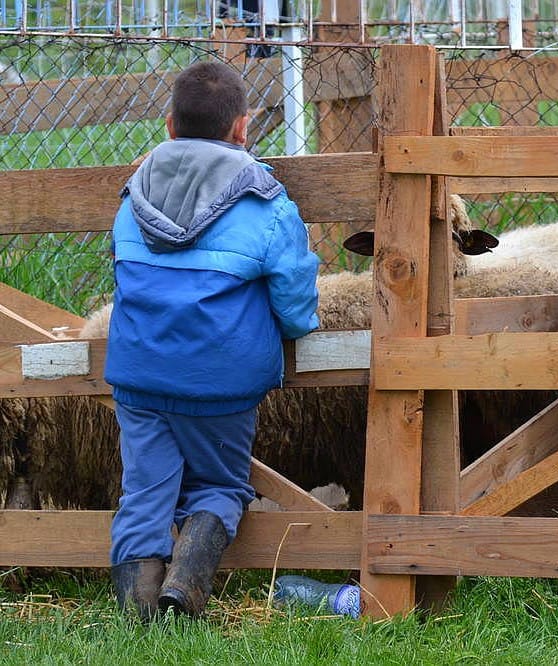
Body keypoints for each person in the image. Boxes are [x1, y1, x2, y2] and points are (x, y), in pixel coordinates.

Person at [105, 60, 320, 621]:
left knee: (145, 491)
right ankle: (186, 587)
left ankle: (138, 611)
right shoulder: (265, 200)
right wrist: (297, 330)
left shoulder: (133, 194)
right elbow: (294, 288)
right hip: (220, 379)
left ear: (170, 126)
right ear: (243, 128)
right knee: (221, 484)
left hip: (139, 374)